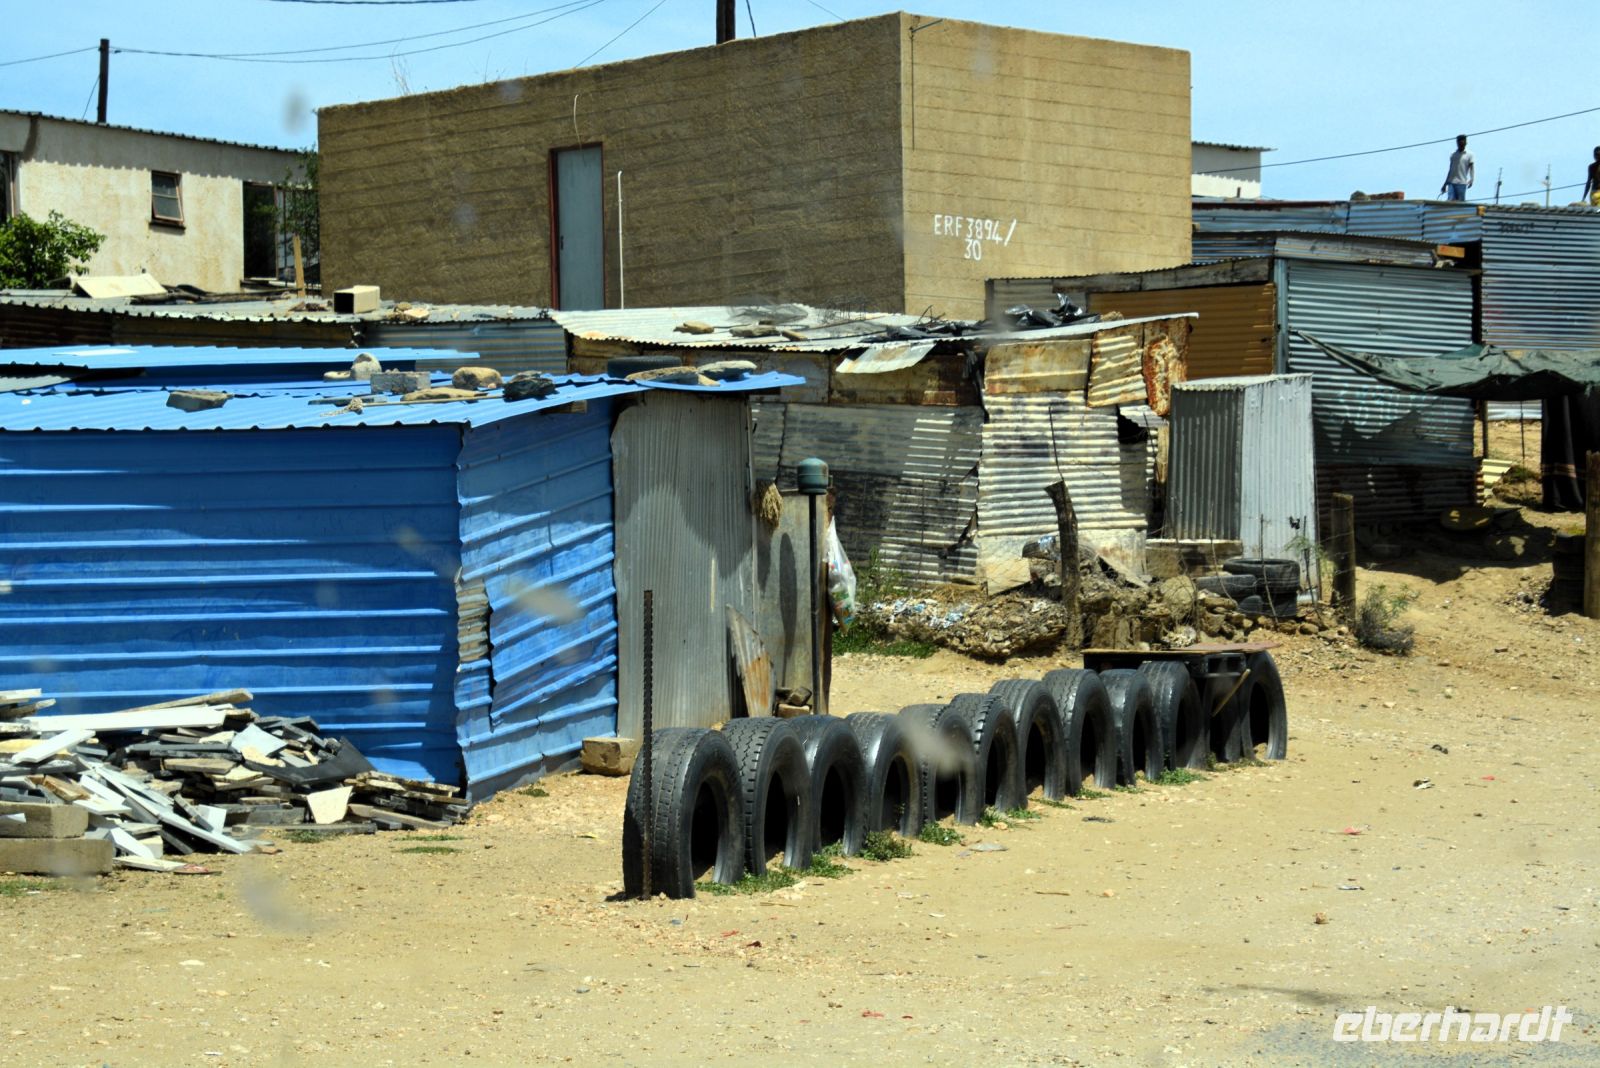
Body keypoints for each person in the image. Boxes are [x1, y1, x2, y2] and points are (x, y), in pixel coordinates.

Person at [1440, 134, 1474, 201]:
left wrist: (1472, 179)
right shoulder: (1453, 154)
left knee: (1460, 203)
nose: (1460, 143)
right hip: (1451, 182)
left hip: (1462, 183)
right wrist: (1445, 184)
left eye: (1462, 141)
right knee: (1450, 202)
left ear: (1465, 142)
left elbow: (1471, 168)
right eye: (1459, 141)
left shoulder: (1470, 154)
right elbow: (1451, 170)